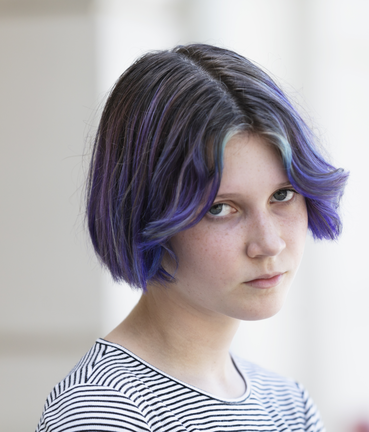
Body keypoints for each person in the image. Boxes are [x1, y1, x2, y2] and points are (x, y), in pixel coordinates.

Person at [35, 44, 347, 432]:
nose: (268, 243)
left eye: (282, 195)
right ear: (145, 211)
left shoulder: (288, 405)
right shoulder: (105, 412)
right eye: (220, 208)